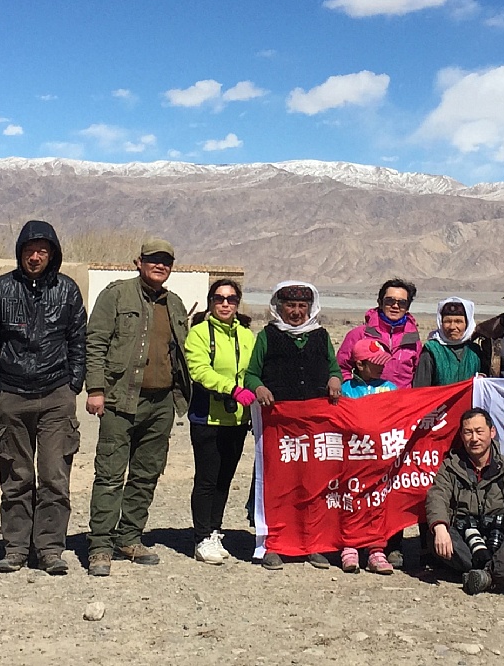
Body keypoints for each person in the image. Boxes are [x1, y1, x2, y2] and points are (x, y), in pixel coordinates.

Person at [0, 220, 87, 575]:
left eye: (42, 251)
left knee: (54, 477)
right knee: (16, 476)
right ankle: (15, 548)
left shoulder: (67, 290)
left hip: (56, 394)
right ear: (20, 253)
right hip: (12, 394)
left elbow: (78, 340)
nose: (35, 257)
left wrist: (73, 385)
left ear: (52, 254)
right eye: (29, 250)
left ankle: (50, 549)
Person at [84, 238, 191, 578]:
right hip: (120, 399)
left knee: (146, 474)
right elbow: (95, 341)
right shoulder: (116, 295)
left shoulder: (174, 304)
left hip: (161, 403)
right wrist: (96, 389)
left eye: (166, 261)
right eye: (153, 259)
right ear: (138, 262)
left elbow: (180, 352)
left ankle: (129, 537)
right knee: (110, 475)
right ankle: (100, 545)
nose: (160, 266)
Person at [243, 280, 342, 570]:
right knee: (277, 485)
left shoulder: (321, 336)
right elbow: (251, 375)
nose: (296, 312)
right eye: (290, 305)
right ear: (279, 307)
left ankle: (314, 545)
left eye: (302, 306)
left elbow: (334, 369)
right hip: (278, 428)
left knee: (313, 486)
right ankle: (272, 545)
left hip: (314, 429)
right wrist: (259, 388)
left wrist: (334, 379)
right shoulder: (268, 336)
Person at [424, 408, 504, 595]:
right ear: (461, 436)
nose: (474, 438)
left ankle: (485, 576)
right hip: (466, 541)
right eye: (468, 432)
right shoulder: (450, 467)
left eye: (479, 431)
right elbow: (437, 496)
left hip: (500, 538)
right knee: (435, 536)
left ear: (492, 432)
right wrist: (440, 527)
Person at [183, 277, 257, 566]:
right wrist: (232, 389)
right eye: (219, 298)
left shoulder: (247, 336)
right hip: (208, 417)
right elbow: (199, 370)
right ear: (211, 302)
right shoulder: (199, 333)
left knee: (225, 479)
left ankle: (214, 530)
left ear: (238, 304)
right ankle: (201, 537)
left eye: (231, 299)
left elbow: (254, 370)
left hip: (237, 420)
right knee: (206, 479)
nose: (225, 304)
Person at [338, 338, 398, 574]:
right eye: (376, 363)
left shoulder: (391, 388)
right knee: (351, 501)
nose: (382, 366)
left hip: (381, 460)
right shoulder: (346, 390)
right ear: (360, 365)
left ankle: (376, 550)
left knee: (378, 503)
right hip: (353, 459)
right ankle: (350, 547)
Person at [337, 278, 423, 389]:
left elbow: (418, 376)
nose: (395, 306)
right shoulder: (359, 335)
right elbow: (341, 368)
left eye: (402, 303)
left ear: (407, 307)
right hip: (367, 398)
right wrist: (352, 390)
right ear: (380, 302)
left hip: (401, 398)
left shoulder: (413, 340)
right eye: (389, 301)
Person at [413, 297, 484, 388]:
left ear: (467, 323)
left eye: (458, 321)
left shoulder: (475, 351)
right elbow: (421, 389)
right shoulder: (432, 350)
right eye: (447, 321)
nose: (452, 327)